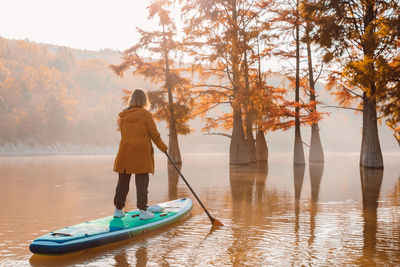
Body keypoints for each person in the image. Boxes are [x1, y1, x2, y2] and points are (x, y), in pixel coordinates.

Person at [113, 89, 168, 219]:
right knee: (142, 182)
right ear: (144, 100)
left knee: (123, 182)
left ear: (131, 100)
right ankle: (143, 211)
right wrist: (164, 148)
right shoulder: (145, 115)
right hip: (141, 153)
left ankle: (118, 209)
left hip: (125, 152)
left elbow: (124, 134)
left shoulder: (123, 116)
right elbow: (154, 134)